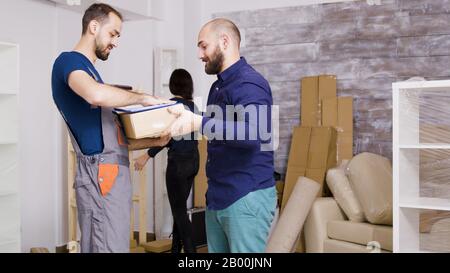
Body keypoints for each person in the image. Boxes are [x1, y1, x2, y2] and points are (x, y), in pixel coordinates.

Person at [51, 3, 170, 253]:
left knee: (112, 246)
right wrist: (142, 97)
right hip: (100, 175)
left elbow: (113, 140)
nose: (116, 42)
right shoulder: (68, 62)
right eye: (113, 33)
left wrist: (155, 141)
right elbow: (95, 95)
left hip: (112, 173)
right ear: (93, 26)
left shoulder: (93, 74)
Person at [165, 18, 276, 253]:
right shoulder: (219, 86)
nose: (199, 54)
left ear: (224, 41)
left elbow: (254, 133)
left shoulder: (250, 83)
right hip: (218, 196)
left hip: (246, 197)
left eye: (203, 46)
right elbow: (223, 125)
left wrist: (199, 121)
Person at [134, 69, 200, 253]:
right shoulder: (193, 107)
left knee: (179, 213)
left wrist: (146, 155)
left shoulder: (170, 106)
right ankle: (175, 249)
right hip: (194, 162)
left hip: (178, 165)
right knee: (179, 210)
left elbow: (165, 137)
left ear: (173, 85)